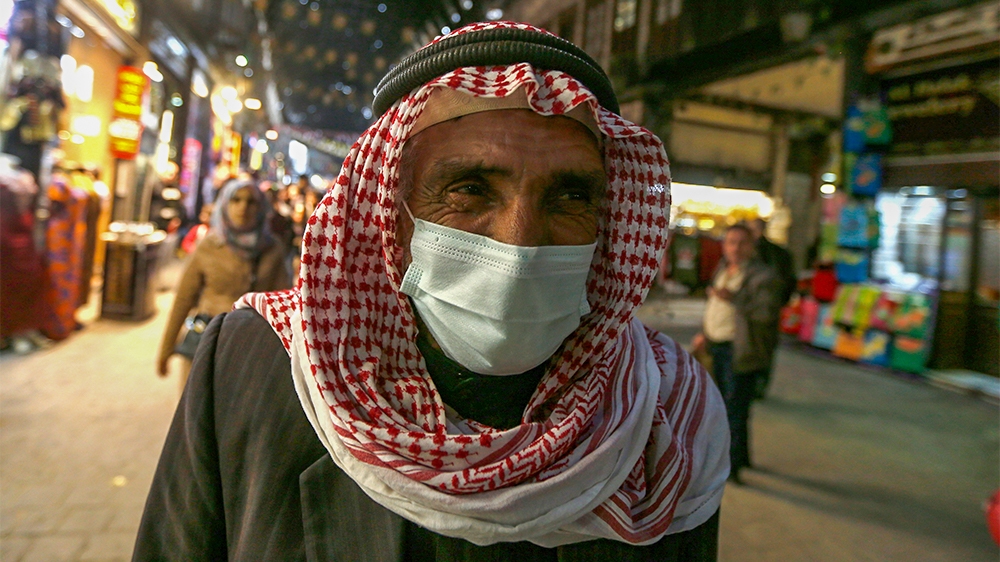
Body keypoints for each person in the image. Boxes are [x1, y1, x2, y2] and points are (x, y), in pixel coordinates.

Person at [134, 22, 729, 560]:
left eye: (571, 197)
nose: (520, 243)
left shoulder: (671, 414)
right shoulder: (250, 363)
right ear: (388, 214)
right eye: (469, 187)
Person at [155, 179, 291, 390]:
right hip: (207, 342)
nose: (242, 208)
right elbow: (184, 298)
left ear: (262, 207)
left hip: (250, 349)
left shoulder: (272, 249)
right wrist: (166, 348)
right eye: (235, 200)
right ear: (224, 204)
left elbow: (283, 306)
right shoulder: (210, 245)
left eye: (251, 201)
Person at [692, 224, 782, 484]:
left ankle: (731, 468)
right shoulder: (723, 269)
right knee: (720, 405)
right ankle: (740, 457)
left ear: (752, 246)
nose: (735, 248)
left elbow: (766, 314)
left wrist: (735, 298)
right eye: (730, 241)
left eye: (741, 242)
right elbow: (715, 306)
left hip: (739, 349)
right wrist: (705, 334)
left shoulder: (763, 276)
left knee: (734, 409)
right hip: (715, 345)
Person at [746, 217, 796, 398]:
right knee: (763, 349)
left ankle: (754, 385)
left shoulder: (756, 253)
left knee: (756, 348)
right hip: (768, 310)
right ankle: (758, 386)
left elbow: (787, 282)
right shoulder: (779, 253)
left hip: (761, 309)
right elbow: (790, 282)